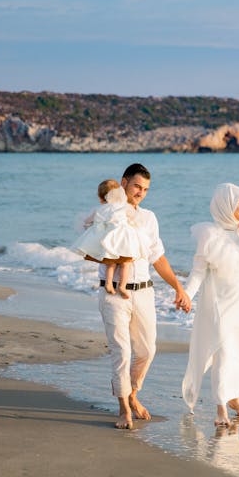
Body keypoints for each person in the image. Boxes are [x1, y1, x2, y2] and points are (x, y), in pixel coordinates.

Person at [87, 163, 191, 429]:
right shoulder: (106, 213)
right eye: (136, 186)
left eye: (145, 189)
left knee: (147, 350)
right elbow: (89, 243)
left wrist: (179, 289)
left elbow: (158, 258)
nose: (140, 193)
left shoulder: (149, 218)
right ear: (123, 183)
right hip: (112, 292)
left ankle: (133, 393)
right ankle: (123, 409)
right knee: (121, 351)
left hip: (144, 292)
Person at [182, 182, 239, 426]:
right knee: (223, 353)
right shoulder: (209, 235)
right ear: (226, 204)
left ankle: (235, 398)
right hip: (221, 304)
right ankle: (220, 408)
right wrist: (186, 294)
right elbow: (198, 272)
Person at [71, 179, 143, 298]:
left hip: (110, 241)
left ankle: (109, 283)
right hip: (123, 240)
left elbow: (88, 221)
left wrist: (87, 224)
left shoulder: (99, 209)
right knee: (126, 263)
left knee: (111, 263)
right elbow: (134, 218)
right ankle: (122, 286)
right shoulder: (123, 207)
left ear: (101, 198)